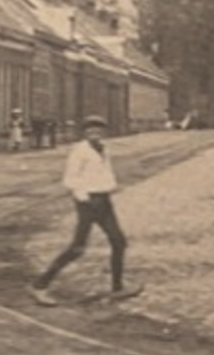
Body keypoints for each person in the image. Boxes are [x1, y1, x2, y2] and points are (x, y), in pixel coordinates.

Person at [29, 115, 139, 304]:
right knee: (77, 248)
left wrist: (110, 187)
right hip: (88, 202)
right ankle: (39, 285)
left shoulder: (104, 149)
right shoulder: (79, 151)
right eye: (90, 130)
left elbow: (105, 173)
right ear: (85, 132)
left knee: (118, 241)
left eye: (98, 130)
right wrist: (85, 199)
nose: (94, 133)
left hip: (103, 200)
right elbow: (70, 179)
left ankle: (117, 286)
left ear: (104, 132)